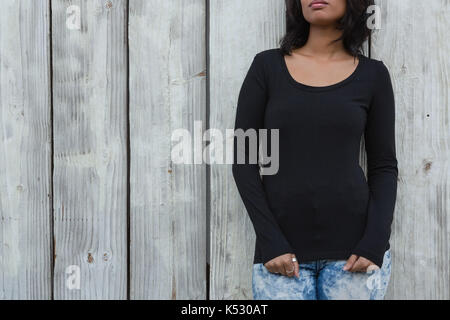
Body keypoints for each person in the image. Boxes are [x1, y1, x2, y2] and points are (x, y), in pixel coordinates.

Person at [232, 0, 398, 300]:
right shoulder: (266, 67)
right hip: (281, 258)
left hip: (355, 258)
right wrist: (270, 241)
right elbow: (243, 160)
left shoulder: (374, 75)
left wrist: (374, 242)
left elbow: (384, 166)